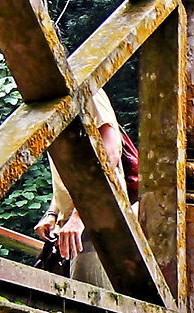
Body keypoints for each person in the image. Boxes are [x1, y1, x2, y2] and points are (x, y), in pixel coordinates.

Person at [34, 85, 134, 287]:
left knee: (92, 311)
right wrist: (52, 214)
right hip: (73, 226)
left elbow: (110, 156)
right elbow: (67, 176)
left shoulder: (87, 91)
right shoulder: (50, 106)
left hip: (98, 223)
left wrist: (80, 217)